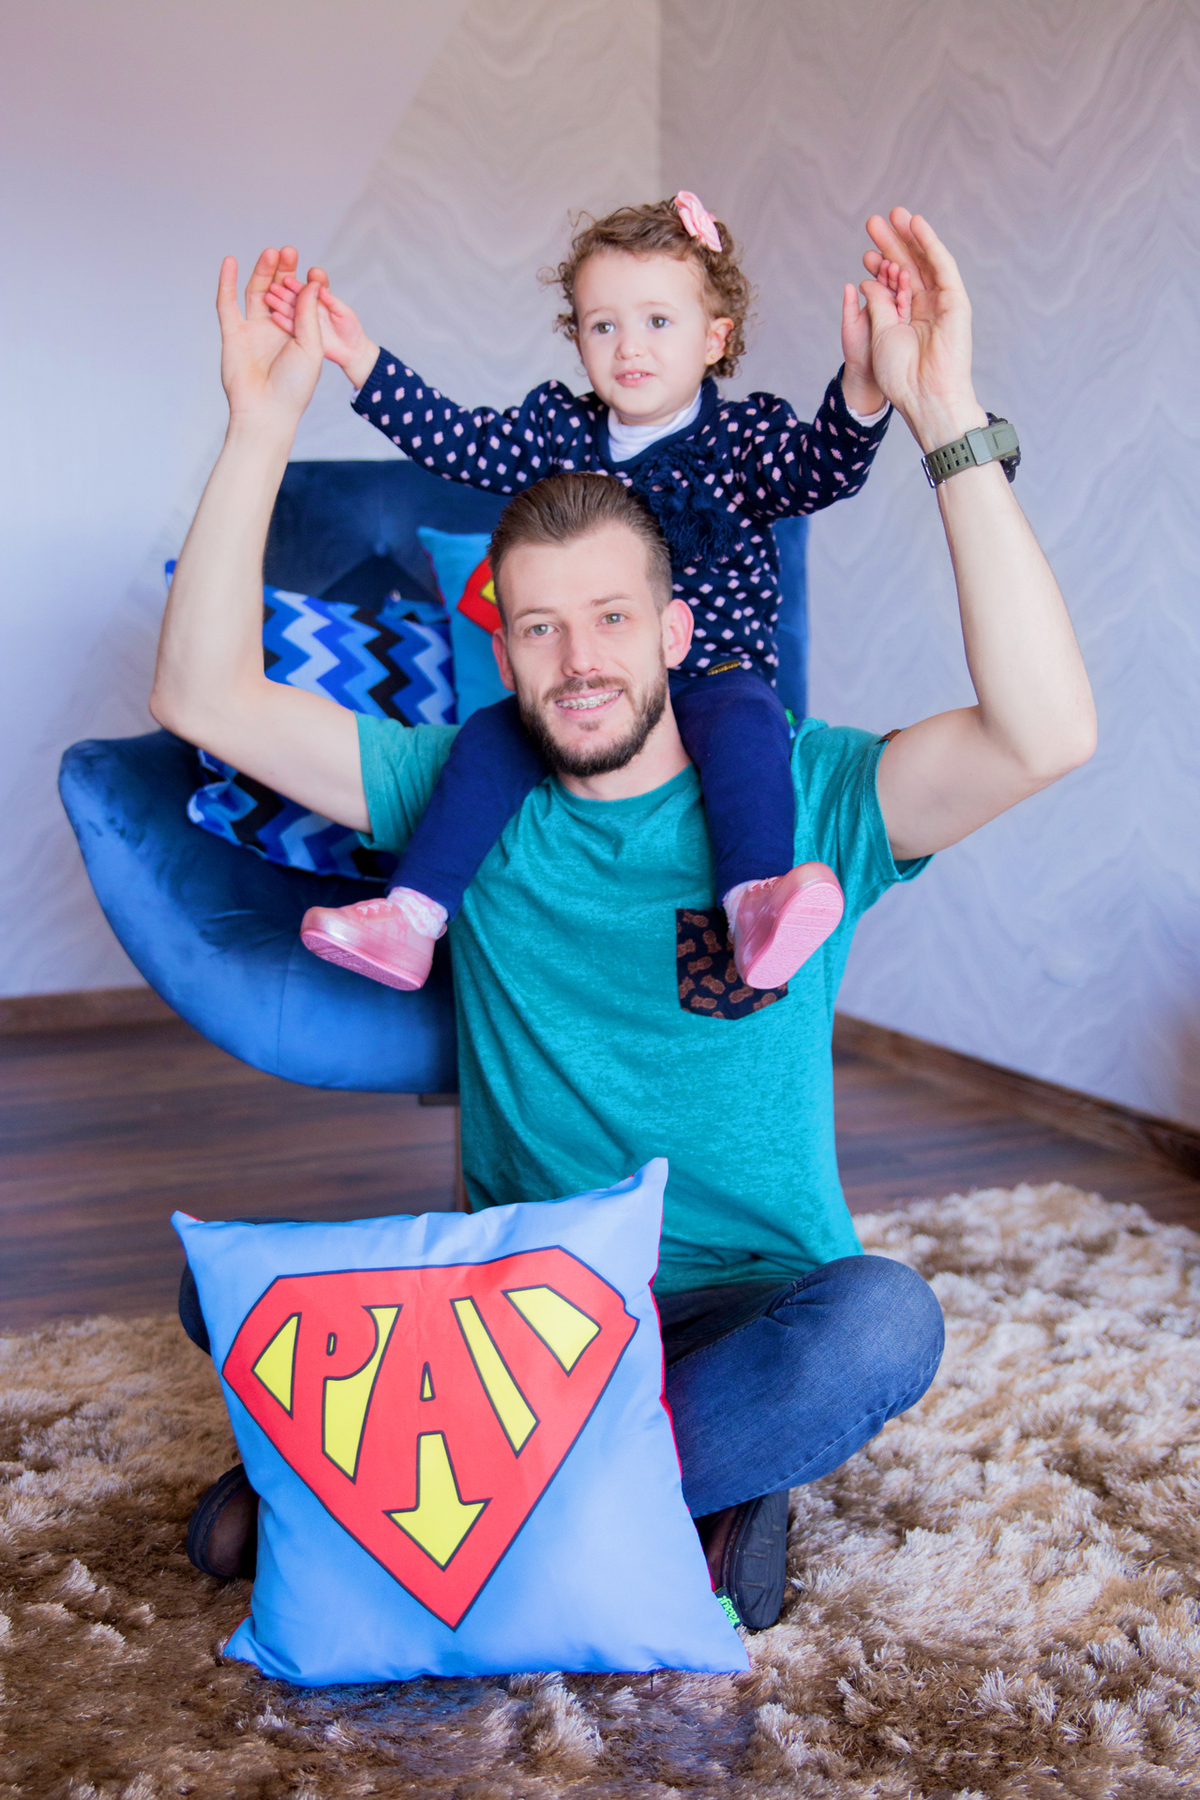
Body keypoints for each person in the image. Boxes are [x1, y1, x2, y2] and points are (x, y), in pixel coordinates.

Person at [153, 209, 1096, 1629]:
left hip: (743, 1306)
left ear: (674, 632)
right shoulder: (458, 791)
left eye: (609, 620)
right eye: (536, 627)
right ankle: (659, 1499)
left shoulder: (807, 796)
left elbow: (1046, 733)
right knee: (213, 1292)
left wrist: (945, 414)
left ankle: (386, 1495)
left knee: (882, 1323)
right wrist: (259, 425)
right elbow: (204, 701)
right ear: (500, 645)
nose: (576, 660)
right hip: (531, 1306)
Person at [264, 193, 898, 996]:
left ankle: (753, 902)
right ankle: (413, 919)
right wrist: (358, 358)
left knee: (749, 724)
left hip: (709, 676)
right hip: (584, 685)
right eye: (604, 326)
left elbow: (822, 470)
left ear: (715, 338)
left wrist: (865, 385)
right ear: (579, 338)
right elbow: (458, 441)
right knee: (491, 737)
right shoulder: (559, 435)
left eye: (658, 323)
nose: (629, 347)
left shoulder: (743, 442)